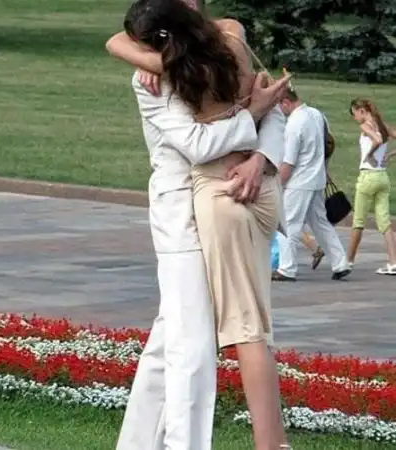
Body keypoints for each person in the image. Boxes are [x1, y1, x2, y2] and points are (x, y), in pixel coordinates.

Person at [106, 1, 293, 449]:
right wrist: (251, 113)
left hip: (231, 199)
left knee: (171, 335)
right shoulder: (150, 76)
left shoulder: (226, 42)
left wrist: (260, 158)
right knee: (191, 345)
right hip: (182, 215)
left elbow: (273, 108)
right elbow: (196, 144)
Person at [273, 87, 351, 281]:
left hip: (299, 181)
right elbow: (328, 144)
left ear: (285, 102)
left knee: (288, 224)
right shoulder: (317, 115)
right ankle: (340, 262)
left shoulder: (294, 124)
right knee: (320, 222)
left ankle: (287, 268)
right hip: (317, 177)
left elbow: (289, 162)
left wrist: (278, 184)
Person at [347, 98, 396, 274]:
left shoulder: (365, 126)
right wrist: (389, 155)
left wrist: (369, 155)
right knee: (384, 222)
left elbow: (376, 140)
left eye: (354, 114)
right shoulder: (382, 125)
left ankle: (348, 261)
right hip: (382, 176)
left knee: (358, 222)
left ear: (361, 110)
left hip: (367, 176)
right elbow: (383, 137)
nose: (355, 118)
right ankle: (393, 263)